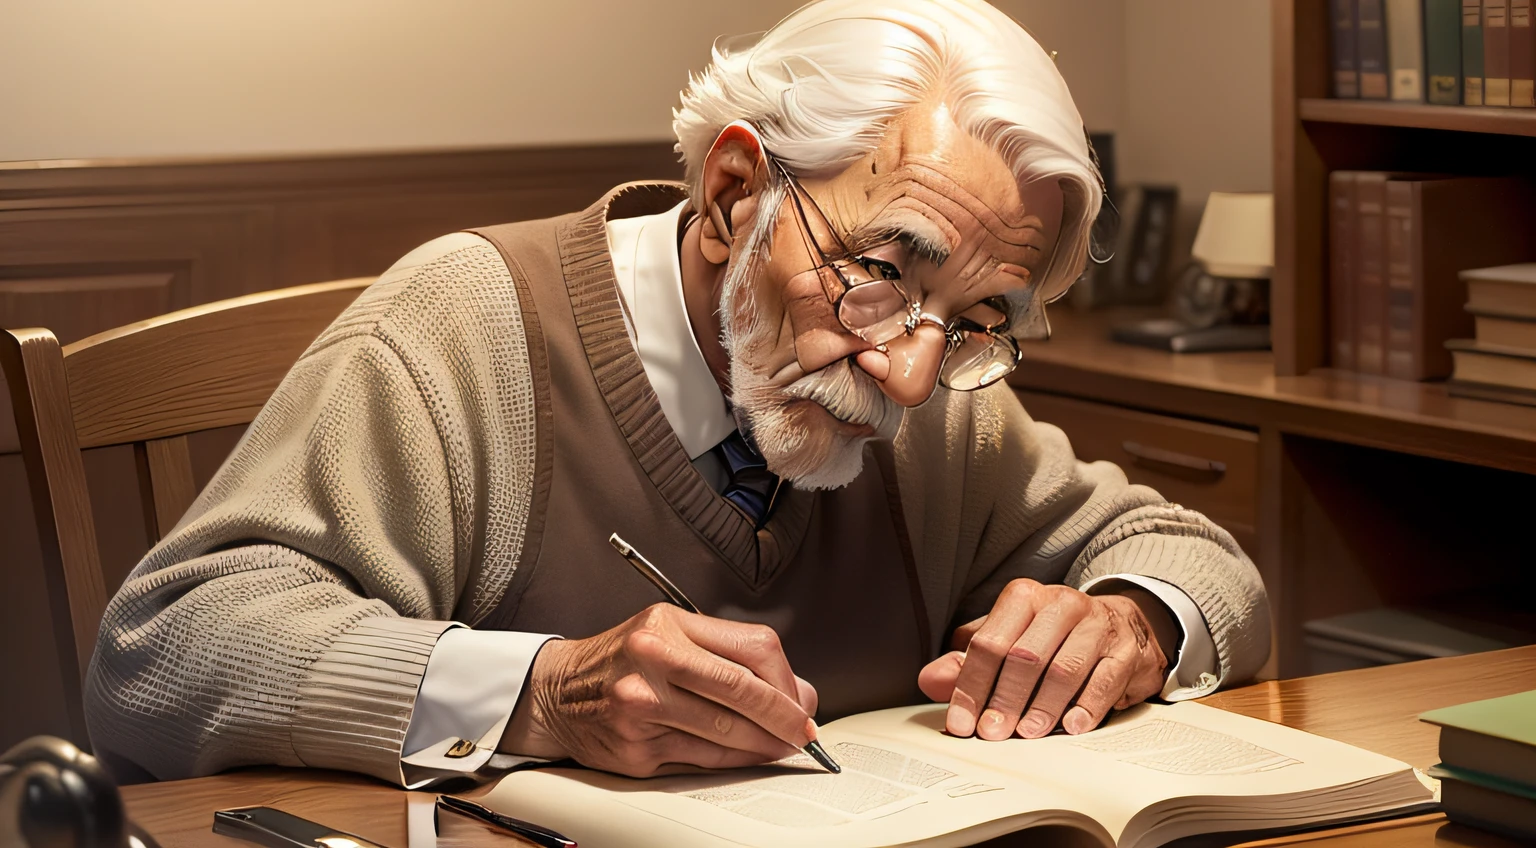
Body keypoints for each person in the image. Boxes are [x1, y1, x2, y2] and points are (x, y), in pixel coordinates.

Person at [84, 0, 1270, 788]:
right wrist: (543, 690)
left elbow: (1190, 555)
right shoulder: (465, 326)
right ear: (731, 191)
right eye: (881, 271)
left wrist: (1132, 617)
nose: (910, 374)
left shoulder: (939, 406)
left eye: (975, 320)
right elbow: (164, 648)